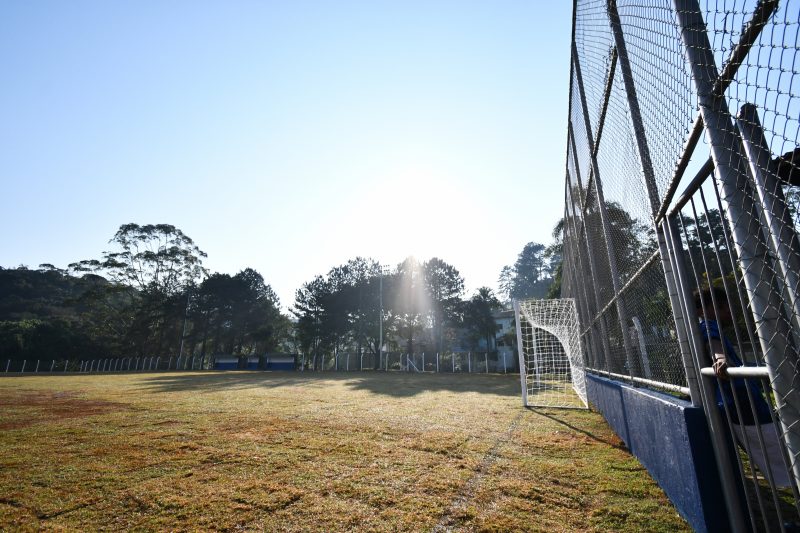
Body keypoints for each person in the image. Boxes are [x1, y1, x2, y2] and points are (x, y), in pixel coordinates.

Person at [695, 287, 792, 488]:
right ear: (707, 309)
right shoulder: (708, 326)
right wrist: (720, 359)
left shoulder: (707, 326)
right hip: (743, 403)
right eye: (724, 307)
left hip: (740, 401)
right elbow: (713, 345)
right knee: (786, 459)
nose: (730, 311)